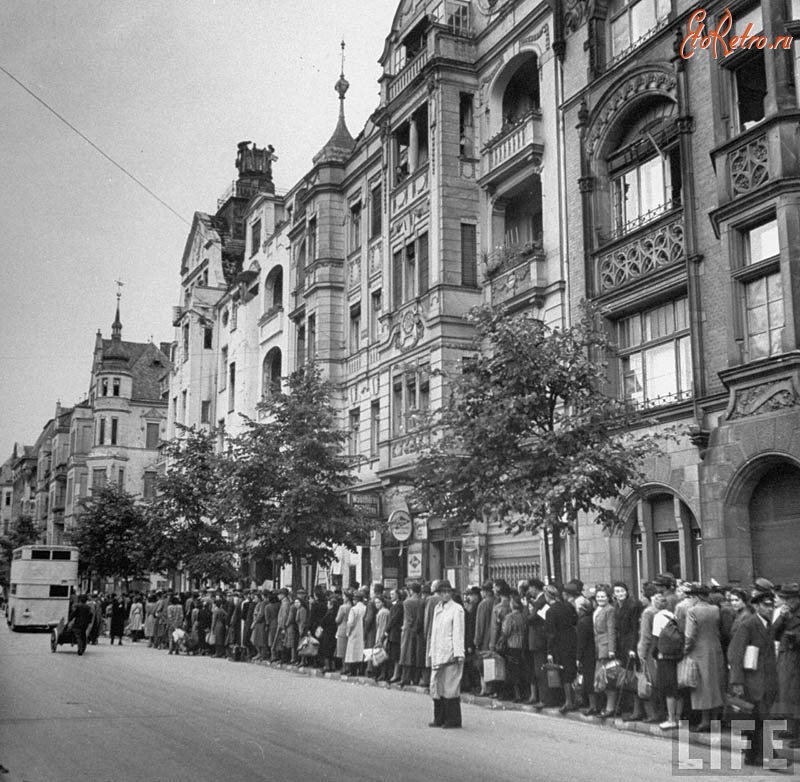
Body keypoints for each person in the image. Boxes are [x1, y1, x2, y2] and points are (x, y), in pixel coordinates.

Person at [728, 590, 779, 767]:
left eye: (772, 605)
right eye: (766, 605)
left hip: (766, 680)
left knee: (756, 719)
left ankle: (752, 756)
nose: (770, 608)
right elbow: (736, 653)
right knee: (760, 718)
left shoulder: (768, 625)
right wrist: (737, 682)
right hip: (752, 681)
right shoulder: (749, 625)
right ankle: (769, 756)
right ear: (757, 606)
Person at [683, 583, 725, 731]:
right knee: (716, 684)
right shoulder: (715, 610)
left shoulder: (692, 611)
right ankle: (715, 720)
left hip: (699, 651)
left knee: (701, 686)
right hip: (715, 648)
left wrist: (686, 650)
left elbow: (690, 635)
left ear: (697, 596)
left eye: (692, 596)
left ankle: (705, 721)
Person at [427, 580, 465, 729]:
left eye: (447, 592)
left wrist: (458, 652)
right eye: (442, 592)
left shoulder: (457, 609)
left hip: (450, 653)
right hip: (438, 651)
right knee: (437, 686)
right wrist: (431, 651)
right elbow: (434, 632)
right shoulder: (438, 608)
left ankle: (453, 720)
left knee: (450, 687)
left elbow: (458, 632)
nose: (445, 595)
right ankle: (439, 718)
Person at [772, 582, 800, 743]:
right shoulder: (784, 613)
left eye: (789, 599)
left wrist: (794, 637)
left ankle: (797, 732)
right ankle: (792, 727)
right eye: (784, 598)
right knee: (787, 694)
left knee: (796, 695)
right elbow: (774, 634)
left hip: (796, 657)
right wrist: (782, 618)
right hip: (786, 657)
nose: (786, 602)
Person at [544, 584, 578, 713]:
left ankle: (568, 701)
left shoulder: (550, 611)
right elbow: (575, 621)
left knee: (564, 673)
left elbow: (550, 633)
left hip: (559, 644)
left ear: (548, 596)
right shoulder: (568, 607)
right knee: (571, 671)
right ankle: (572, 700)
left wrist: (549, 651)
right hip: (571, 641)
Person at [497, 592, 527, 702]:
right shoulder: (523, 616)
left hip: (512, 645)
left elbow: (505, 632)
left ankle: (516, 695)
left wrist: (499, 642)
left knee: (513, 671)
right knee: (521, 670)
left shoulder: (510, 617)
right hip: (523, 645)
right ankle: (524, 693)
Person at [593, 584, 618, 718]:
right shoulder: (597, 609)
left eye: (603, 596)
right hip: (597, 646)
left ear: (608, 597)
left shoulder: (610, 610)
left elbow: (611, 630)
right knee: (600, 679)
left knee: (607, 678)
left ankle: (610, 707)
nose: (600, 598)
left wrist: (611, 650)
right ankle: (604, 706)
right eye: (598, 596)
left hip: (605, 647)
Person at [474, 580, 496, 696]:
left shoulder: (483, 604)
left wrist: (477, 641)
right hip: (494, 639)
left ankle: (485, 689)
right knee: (493, 664)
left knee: (482, 665)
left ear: (485, 592)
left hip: (484, 640)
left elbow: (480, 625)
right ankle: (492, 688)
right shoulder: (496, 602)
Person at [400, 582, 425, 686]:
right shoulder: (422, 602)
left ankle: (405, 678)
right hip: (419, 631)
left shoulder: (407, 602)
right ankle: (416, 678)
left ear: (411, 591)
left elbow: (408, 619)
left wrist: (406, 628)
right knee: (417, 655)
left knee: (406, 655)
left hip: (408, 631)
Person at [345, 589, 366, 675]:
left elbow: (350, 623)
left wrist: (348, 632)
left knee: (352, 652)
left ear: (355, 600)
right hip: (362, 632)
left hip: (354, 632)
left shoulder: (354, 609)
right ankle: (361, 670)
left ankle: (352, 671)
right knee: (361, 651)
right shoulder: (365, 608)